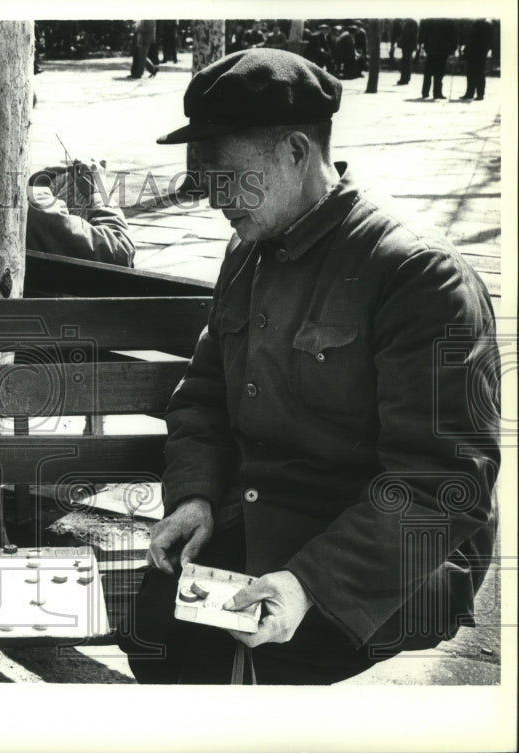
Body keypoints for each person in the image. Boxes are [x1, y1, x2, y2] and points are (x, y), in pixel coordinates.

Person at [117, 49, 499, 684]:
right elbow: (202, 395)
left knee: (231, 659)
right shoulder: (248, 250)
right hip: (255, 517)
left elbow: (442, 483)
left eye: (223, 177)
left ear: (296, 152)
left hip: (387, 562)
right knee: (155, 633)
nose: (211, 199)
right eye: (201, 180)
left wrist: (308, 586)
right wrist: (194, 496)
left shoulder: (418, 274)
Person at [26, 159, 136, 267]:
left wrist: (36, 185)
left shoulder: (25, 207)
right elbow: (121, 250)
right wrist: (99, 193)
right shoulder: (34, 213)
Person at [419, 18, 458, 99]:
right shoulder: (448, 21)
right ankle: (437, 93)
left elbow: (425, 35)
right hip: (442, 51)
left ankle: (425, 92)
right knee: (439, 73)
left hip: (431, 50)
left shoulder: (431, 21)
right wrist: (453, 49)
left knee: (428, 73)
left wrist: (426, 47)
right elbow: (453, 36)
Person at [460, 19, 493, 100]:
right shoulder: (487, 24)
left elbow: (471, 40)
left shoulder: (479, 24)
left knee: (473, 73)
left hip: (475, 52)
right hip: (480, 52)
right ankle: (478, 94)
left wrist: (465, 53)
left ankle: (471, 93)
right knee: (478, 73)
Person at [395, 18, 419, 85]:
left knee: (405, 62)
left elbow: (406, 35)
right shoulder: (412, 22)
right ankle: (406, 78)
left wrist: (400, 42)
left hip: (407, 45)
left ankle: (404, 78)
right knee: (407, 62)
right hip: (409, 45)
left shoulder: (410, 23)